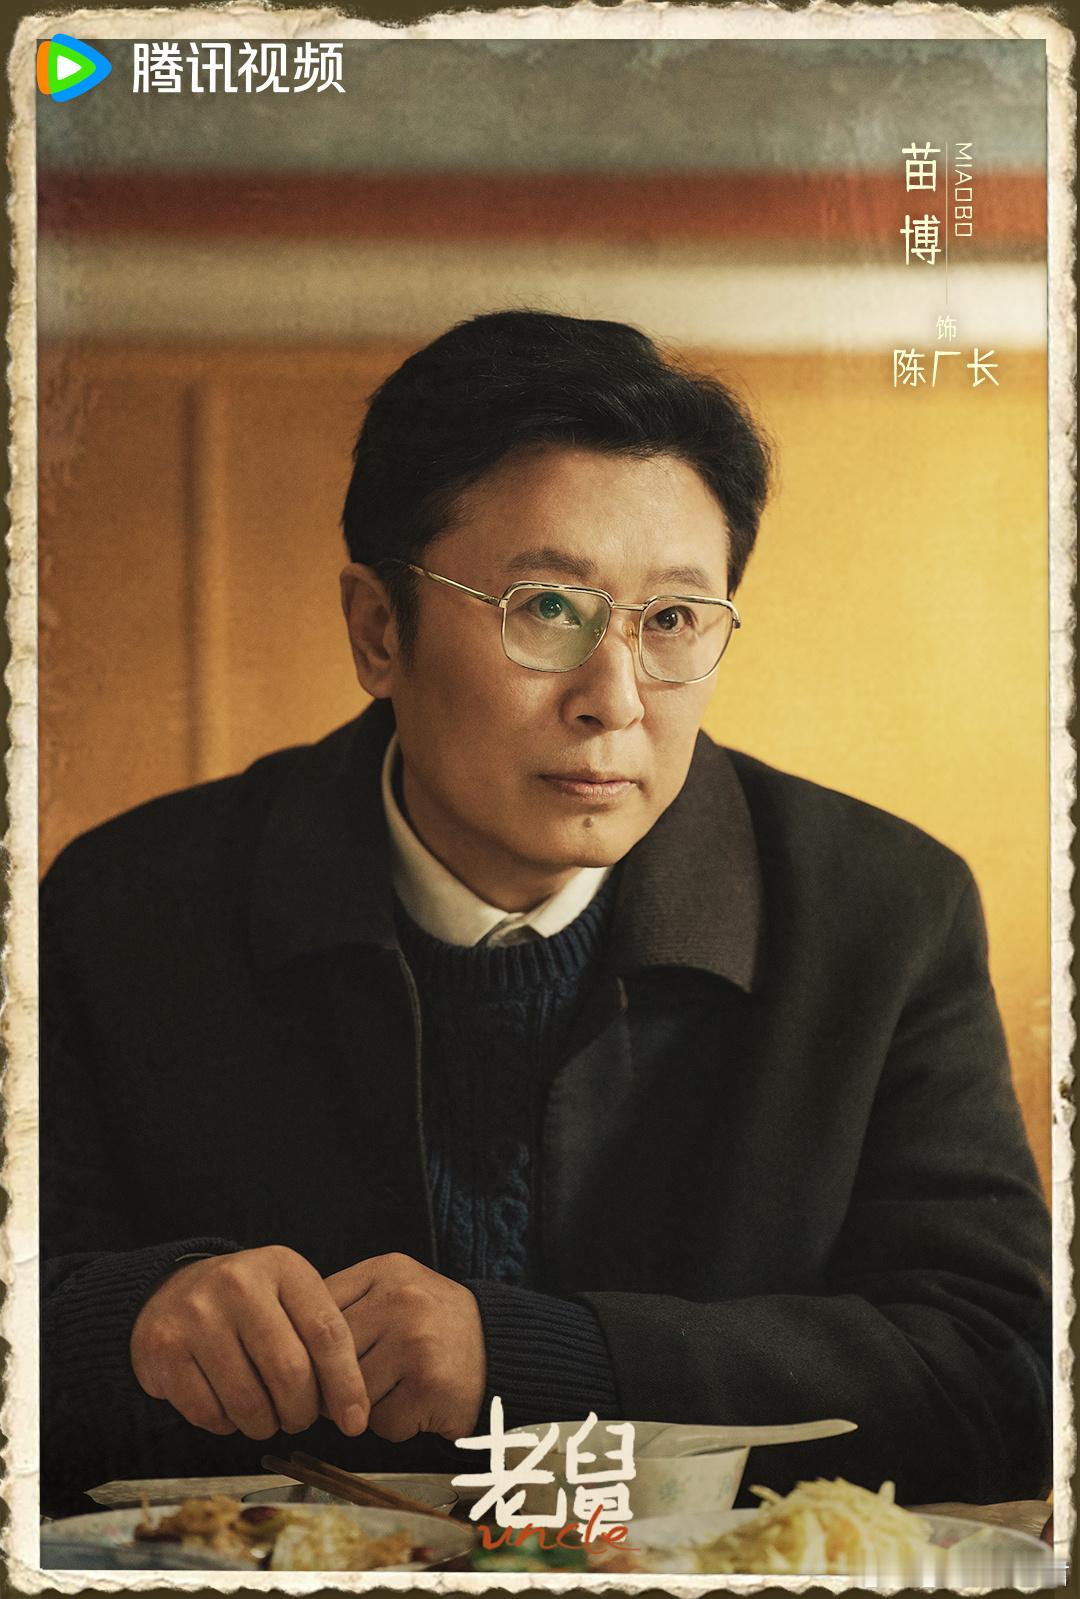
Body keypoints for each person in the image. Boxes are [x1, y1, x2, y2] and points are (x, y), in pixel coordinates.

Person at [40, 310, 1051, 1517]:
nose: (613, 699)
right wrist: (131, 1319)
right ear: (378, 629)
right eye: (548, 610)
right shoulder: (126, 909)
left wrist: (530, 1359)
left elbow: (1005, 1379)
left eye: (672, 621)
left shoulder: (882, 915)